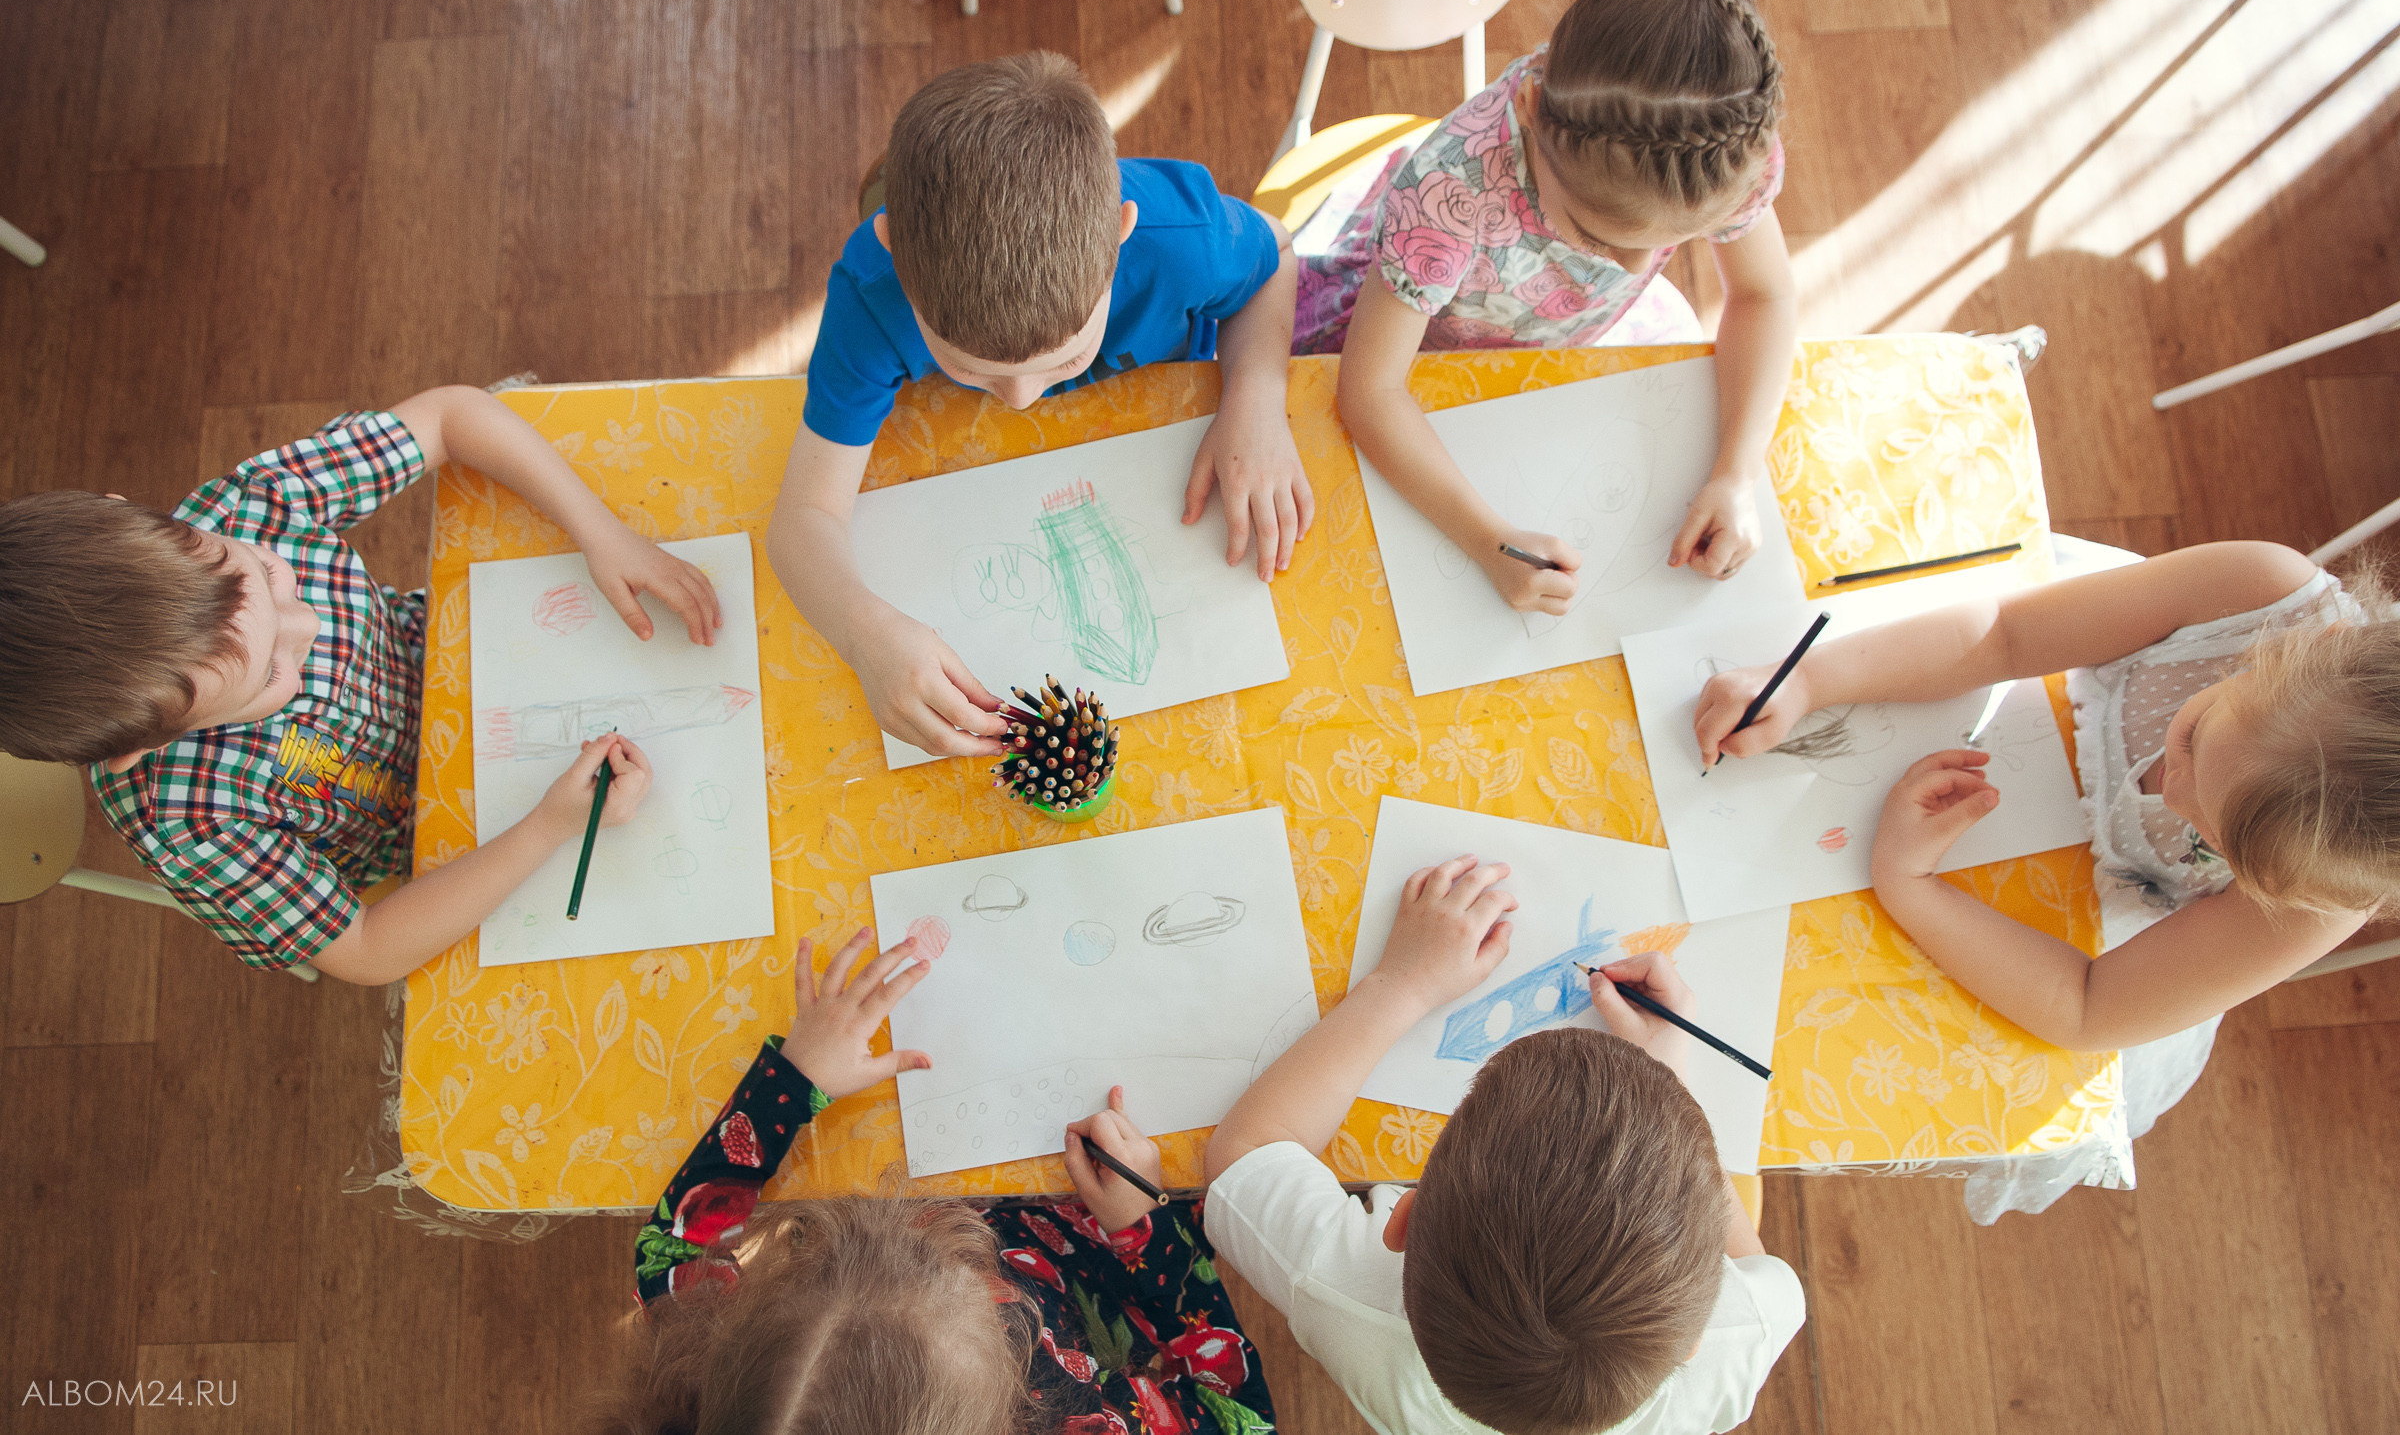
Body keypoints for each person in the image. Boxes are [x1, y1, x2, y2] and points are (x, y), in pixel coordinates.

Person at [1694, 540, 2393, 1211]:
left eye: (2215, 837)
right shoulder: (2257, 593)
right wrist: (1811, 680)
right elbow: (2004, 635)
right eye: (2193, 740)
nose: (2174, 795)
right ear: (2296, 649)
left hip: (2097, 920)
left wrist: (1910, 884)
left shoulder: (2316, 900)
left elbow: (2089, 1005)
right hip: (2033, 678)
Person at [0, 389, 721, 982]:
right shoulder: (190, 826)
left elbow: (451, 417)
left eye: (271, 579)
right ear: (139, 750)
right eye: (270, 673)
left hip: (471, 658)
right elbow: (368, 947)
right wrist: (548, 828)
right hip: (438, 852)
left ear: (136, 513)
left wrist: (601, 533)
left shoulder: (252, 509)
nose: (305, 626)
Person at [769, 51, 1310, 761]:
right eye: (970, 368)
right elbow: (801, 519)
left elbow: (1275, 253)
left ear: (1120, 235)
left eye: (1064, 361)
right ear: (894, 250)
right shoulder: (872, 296)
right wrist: (862, 631)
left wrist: (1258, 396)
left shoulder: (1183, 241)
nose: (1024, 400)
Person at [1201, 856, 1804, 1435]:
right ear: (1700, 1327)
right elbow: (1748, 1261)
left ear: (1403, 1221)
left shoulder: (1345, 1296)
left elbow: (1248, 1150)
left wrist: (1403, 984)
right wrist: (1667, 1082)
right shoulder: (1744, 1334)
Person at [589, 928, 1278, 1435]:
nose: (953, 1237)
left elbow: (674, 1248)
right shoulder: (1088, 1422)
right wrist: (1144, 1227)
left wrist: (795, 1080)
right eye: (975, 1292)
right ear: (1009, 1401)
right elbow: (1236, 1409)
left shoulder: (701, 1359)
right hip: (1085, 1248)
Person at [1318, 0, 1798, 614]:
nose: (1633, 271)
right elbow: (1369, 392)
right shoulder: (1449, 193)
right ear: (1533, 111)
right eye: (1596, 237)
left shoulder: (1722, 155)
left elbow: (1763, 296)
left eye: (1663, 244)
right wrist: (1488, 541)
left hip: (1557, 344)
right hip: (1416, 340)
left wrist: (1736, 471)